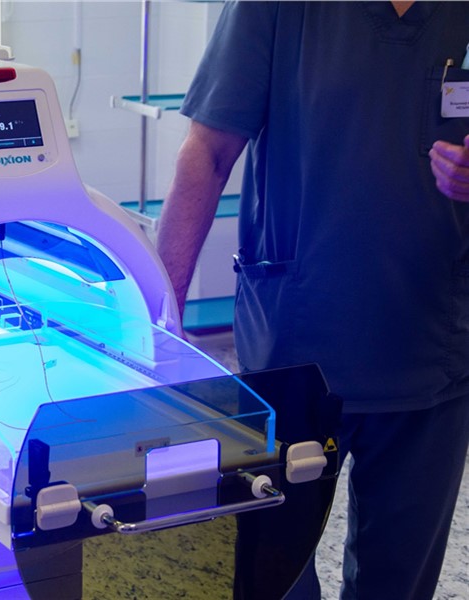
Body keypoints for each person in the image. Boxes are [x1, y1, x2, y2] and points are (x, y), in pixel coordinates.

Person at [156, 2, 469, 599]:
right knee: (275, 579)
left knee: (399, 585)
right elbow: (208, 152)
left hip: (433, 350)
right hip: (295, 349)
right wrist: (161, 320)